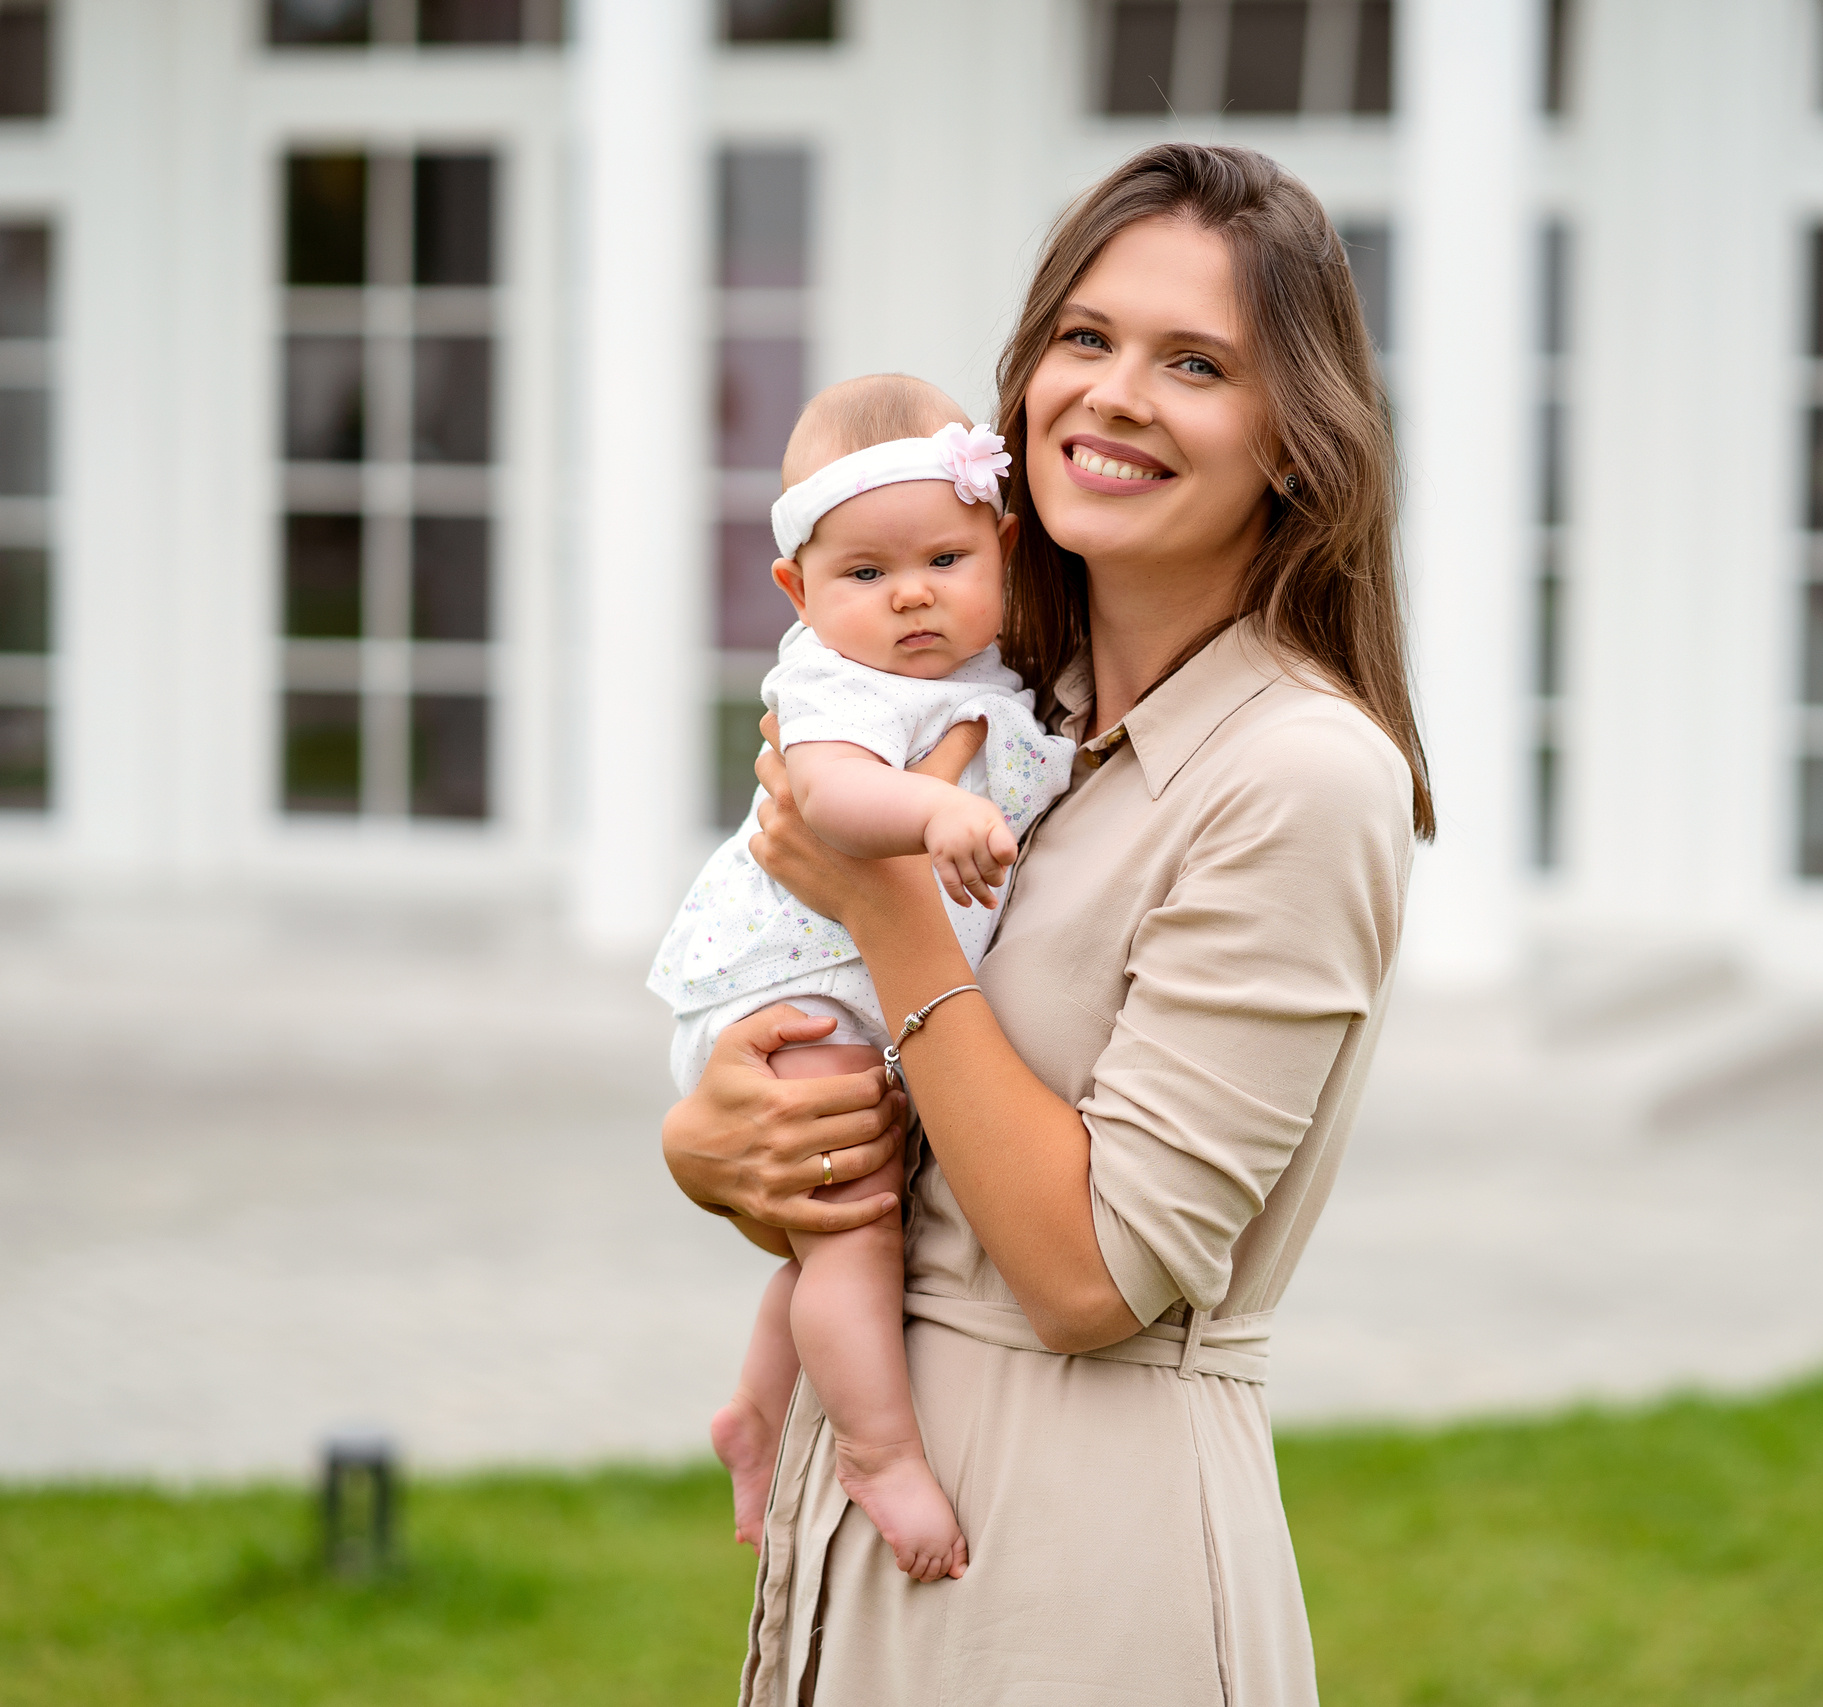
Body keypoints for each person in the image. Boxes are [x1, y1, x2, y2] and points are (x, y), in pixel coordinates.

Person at [662, 142, 1433, 1705]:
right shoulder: (1003, 713)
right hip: (867, 1538)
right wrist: (716, 1148)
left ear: (1297, 441)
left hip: (1081, 1564)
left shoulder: (1299, 774)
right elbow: (911, 1138)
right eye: (1085, 339)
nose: (1115, 394)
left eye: (1196, 362)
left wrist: (885, 910)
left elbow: (1090, 1271)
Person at [648, 374, 1075, 1584]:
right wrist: (935, 807)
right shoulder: (836, 685)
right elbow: (827, 801)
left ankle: (757, 1401)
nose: (910, 597)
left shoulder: (985, 675)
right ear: (797, 592)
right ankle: (878, 1452)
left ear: (1001, 546)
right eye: (865, 576)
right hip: (792, 983)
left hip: (850, 979)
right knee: (855, 1233)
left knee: (821, 1237)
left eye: (944, 558)